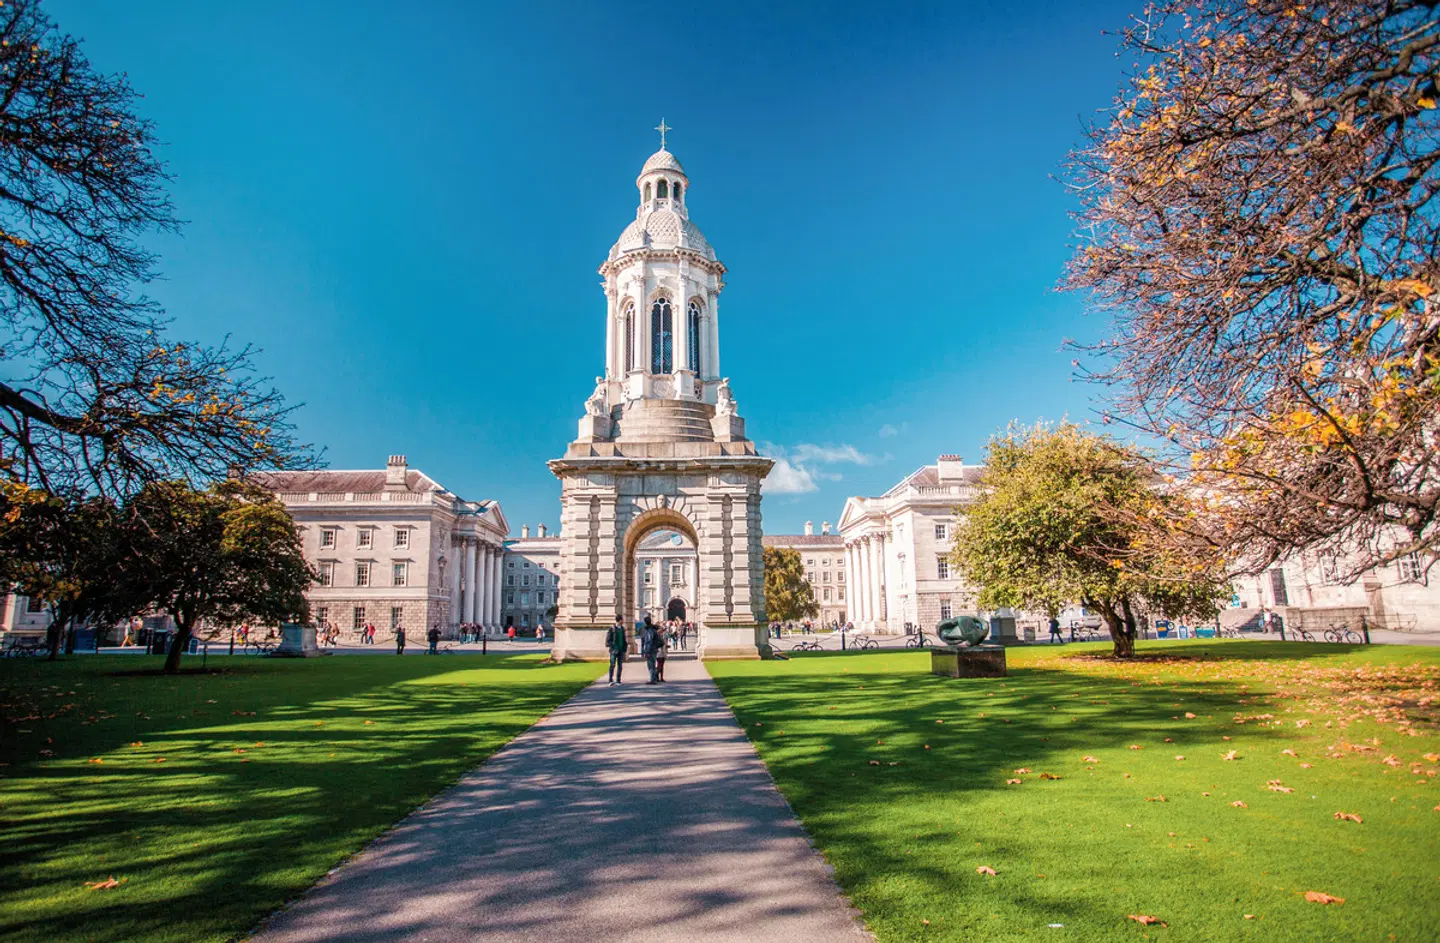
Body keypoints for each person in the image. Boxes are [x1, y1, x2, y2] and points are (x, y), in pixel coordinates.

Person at [641, 616, 661, 684]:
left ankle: (653, 679)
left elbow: (649, 641)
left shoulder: (649, 630)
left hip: (651, 650)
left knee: (650, 665)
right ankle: (655, 678)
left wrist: (647, 651)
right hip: (654, 649)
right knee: (653, 664)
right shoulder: (654, 629)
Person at [606, 618, 626, 685]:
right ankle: (610, 680)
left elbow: (624, 639)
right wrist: (613, 646)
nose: (623, 621)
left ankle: (618, 680)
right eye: (622, 620)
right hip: (614, 650)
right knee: (612, 665)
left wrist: (624, 648)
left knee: (620, 666)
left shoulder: (622, 629)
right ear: (619, 620)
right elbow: (608, 641)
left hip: (621, 650)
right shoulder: (612, 629)